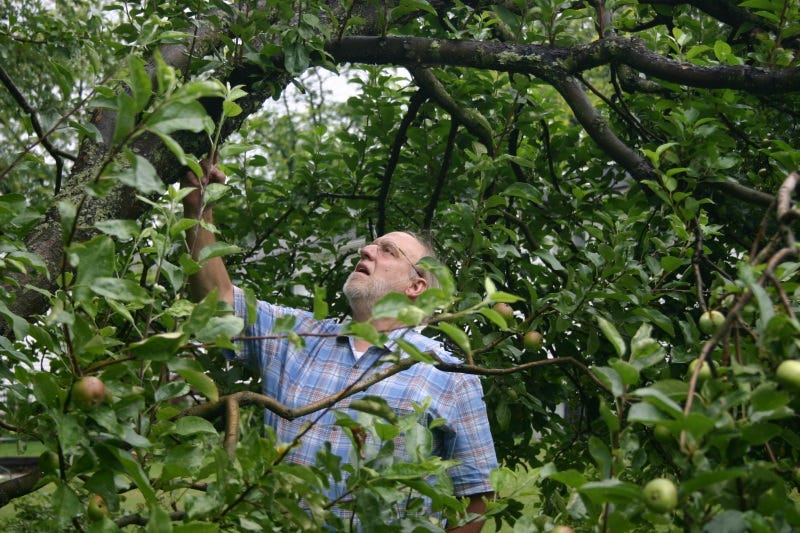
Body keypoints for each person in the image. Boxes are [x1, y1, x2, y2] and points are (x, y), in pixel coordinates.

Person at [183, 158, 497, 531]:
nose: (366, 249)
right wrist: (198, 206)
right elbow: (218, 302)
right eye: (372, 244)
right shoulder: (298, 336)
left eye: (388, 251)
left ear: (417, 287)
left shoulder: (449, 377)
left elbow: (475, 496)